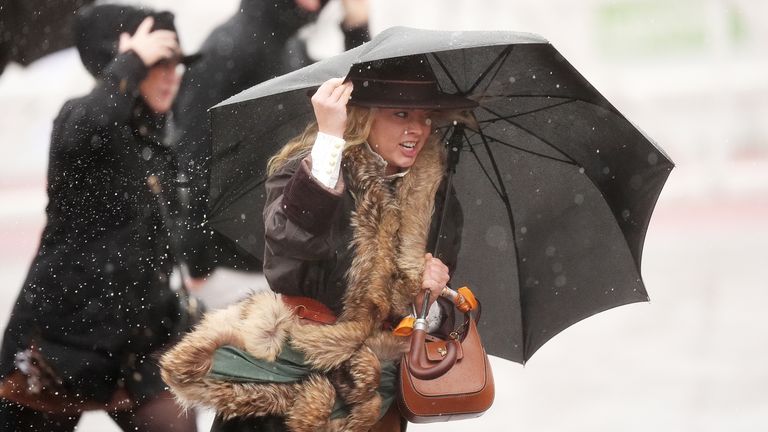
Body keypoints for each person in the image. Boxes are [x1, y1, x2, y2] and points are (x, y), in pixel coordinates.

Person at [160, 56, 475, 431]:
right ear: (363, 115)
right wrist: (330, 138)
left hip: (370, 395)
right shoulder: (310, 169)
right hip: (287, 378)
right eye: (401, 114)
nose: (418, 130)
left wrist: (430, 298)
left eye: (425, 117)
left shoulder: (437, 199)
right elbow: (288, 253)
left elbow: (436, 319)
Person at [0, 5, 198, 431]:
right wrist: (130, 62)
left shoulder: (157, 140)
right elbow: (88, 124)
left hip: (138, 344)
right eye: (157, 63)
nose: (172, 75)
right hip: (59, 343)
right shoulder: (79, 119)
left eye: (175, 64)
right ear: (122, 60)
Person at [173, 0, 370, 283]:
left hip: (278, 255)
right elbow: (193, 153)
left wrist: (356, 29)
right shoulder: (231, 45)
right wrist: (196, 259)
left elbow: (352, 101)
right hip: (227, 266)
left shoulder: (289, 44)